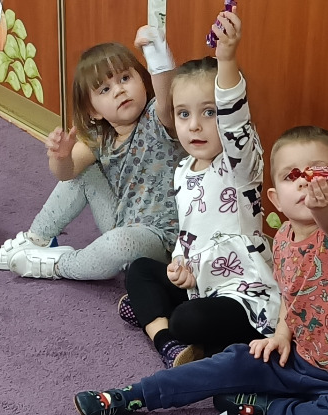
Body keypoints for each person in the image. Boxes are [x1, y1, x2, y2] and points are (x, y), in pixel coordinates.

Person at [73, 126, 328, 415]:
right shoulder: (282, 239)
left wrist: (326, 206)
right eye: (292, 176)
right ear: (276, 199)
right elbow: (291, 296)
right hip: (295, 358)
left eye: (319, 174)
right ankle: (130, 397)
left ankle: (268, 406)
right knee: (229, 361)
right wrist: (281, 335)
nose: (307, 183)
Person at [119, 10, 278, 367]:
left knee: (186, 320)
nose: (194, 126)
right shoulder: (182, 171)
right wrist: (179, 266)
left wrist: (227, 59)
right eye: (184, 114)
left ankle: (163, 321)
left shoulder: (239, 165)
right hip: (200, 286)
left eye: (209, 112)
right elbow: (188, 236)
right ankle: (168, 344)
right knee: (139, 270)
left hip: (242, 296)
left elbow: (235, 118)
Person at [0, 26, 184, 282]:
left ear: (143, 80)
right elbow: (67, 174)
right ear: (94, 111)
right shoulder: (102, 136)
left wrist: (157, 52)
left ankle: (58, 266)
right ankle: (38, 239)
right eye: (104, 89)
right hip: (121, 223)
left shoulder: (157, 118)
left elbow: (168, 99)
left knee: (118, 244)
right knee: (84, 174)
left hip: (161, 240)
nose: (119, 90)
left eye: (125, 78)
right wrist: (60, 157)